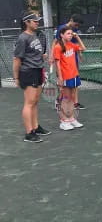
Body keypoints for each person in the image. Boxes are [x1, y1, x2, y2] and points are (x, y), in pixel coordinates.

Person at [13, 12, 51, 142]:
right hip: (28, 72)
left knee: (35, 101)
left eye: (38, 21)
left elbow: (34, 53)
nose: (37, 22)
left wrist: (43, 57)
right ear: (27, 23)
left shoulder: (35, 35)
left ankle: (35, 127)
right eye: (35, 21)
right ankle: (29, 133)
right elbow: (17, 59)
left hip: (37, 70)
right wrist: (16, 78)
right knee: (29, 103)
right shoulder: (22, 38)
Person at [53, 26, 86, 131]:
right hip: (65, 77)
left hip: (74, 75)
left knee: (71, 98)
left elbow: (83, 48)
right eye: (68, 33)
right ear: (61, 35)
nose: (70, 35)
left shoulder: (72, 45)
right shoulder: (58, 47)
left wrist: (78, 37)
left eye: (71, 33)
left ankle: (71, 118)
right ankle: (63, 121)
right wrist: (60, 78)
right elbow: (57, 64)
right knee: (65, 99)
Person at [52, 14, 85, 110]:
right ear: (71, 20)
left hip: (72, 58)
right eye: (76, 24)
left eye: (78, 25)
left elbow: (76, 45)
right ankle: (59, 101)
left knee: (74, 82)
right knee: (65, 85)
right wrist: (51, 56)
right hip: (64, 59)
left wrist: (79, 54)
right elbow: (55, 42)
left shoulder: (73, 31)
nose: (77, 27)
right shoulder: (62, 29)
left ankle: (75, 103)